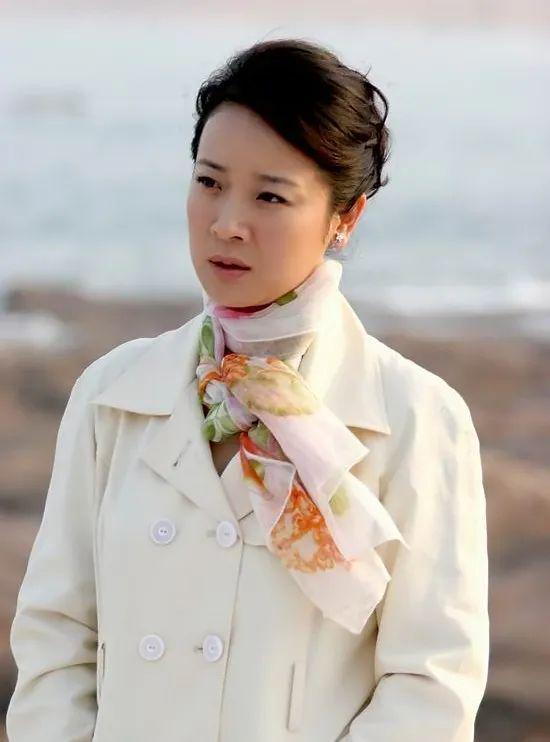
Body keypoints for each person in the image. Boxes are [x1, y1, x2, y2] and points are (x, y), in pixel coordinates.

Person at [6, 38, 489, 741]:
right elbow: (56, 638)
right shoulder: (112, 395)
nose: (227, 223)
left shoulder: (417, 417)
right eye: (209, 182)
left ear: (345, 218)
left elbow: (432, 684)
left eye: (270, 195)